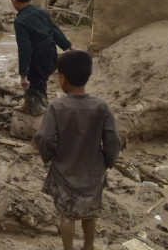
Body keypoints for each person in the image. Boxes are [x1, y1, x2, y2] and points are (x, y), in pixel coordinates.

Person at [34, 50, 121, 250]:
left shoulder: (57, 106)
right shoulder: (101, 106)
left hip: (64, 171)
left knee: (67, 214)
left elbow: (44, 137)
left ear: (62, 78)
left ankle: (68, 248)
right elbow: (113, 139)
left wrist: (50, 156)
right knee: (90, 211)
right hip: (93, 171)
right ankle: (89, 246)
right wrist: (108, 161)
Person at [9, 0, 75, 128]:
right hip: (51, 56)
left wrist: (23, 75)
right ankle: (28, 104)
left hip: (37, 60)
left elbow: (25, 49)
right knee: (37, 85)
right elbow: (55, 31)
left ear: (13, 0)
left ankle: (40, 138)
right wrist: (71, 47)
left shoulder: (20, 21)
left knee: (36, 92)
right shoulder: (43, 12)